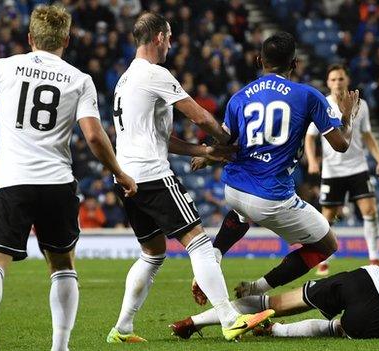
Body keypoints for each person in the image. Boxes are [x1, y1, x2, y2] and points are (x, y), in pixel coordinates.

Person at [0, 5, 137, 351]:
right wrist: (119, 172)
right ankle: (60, 347)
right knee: (63, 265)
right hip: (57, 184)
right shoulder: (80, 79)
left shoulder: (5, 67)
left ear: (29, 38)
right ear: (66, 40)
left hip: (11, 183)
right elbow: (95, 138)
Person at [106, 12, 273, 343]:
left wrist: (204, 152)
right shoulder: (156, 74)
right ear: (158, 38)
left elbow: (162, 139)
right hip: (152, 175)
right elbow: (200, 116)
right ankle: (230, 318)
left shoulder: (126, 80)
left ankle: (122, 328)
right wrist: (226, 139)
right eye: (169, 37)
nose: (171, 42)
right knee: (198, 242)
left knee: (152, 254)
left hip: (127, 177)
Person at [189, 32, 359, 308]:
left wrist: (207, 158)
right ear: (295, 63)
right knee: (327, 244)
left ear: (259, 60)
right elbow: (340, 145)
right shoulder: (308, 96)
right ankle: (258, 289)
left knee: (241, 212)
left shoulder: (239, 98)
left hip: (233, 188)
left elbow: (226, 143)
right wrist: (347, 118)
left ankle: (213, 258)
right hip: (271, 196)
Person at [172, 229, 379, 340]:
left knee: (275, 303)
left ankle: (192, 322)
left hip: (363, 279)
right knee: (337, 328)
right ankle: (277, 332)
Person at [306, 64, 379, 275]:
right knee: (328, 217)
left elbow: (367, 135)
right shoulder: (322, 104)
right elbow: (310, 136)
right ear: (327, 83)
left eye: (340, 79)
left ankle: (374, 258)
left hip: (358, 167)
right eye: (333, 79)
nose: (337, 83)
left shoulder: (362, 105)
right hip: (333, 170)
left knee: (370, 211)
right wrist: (313, 160)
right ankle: (323, 260)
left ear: (347, 80)